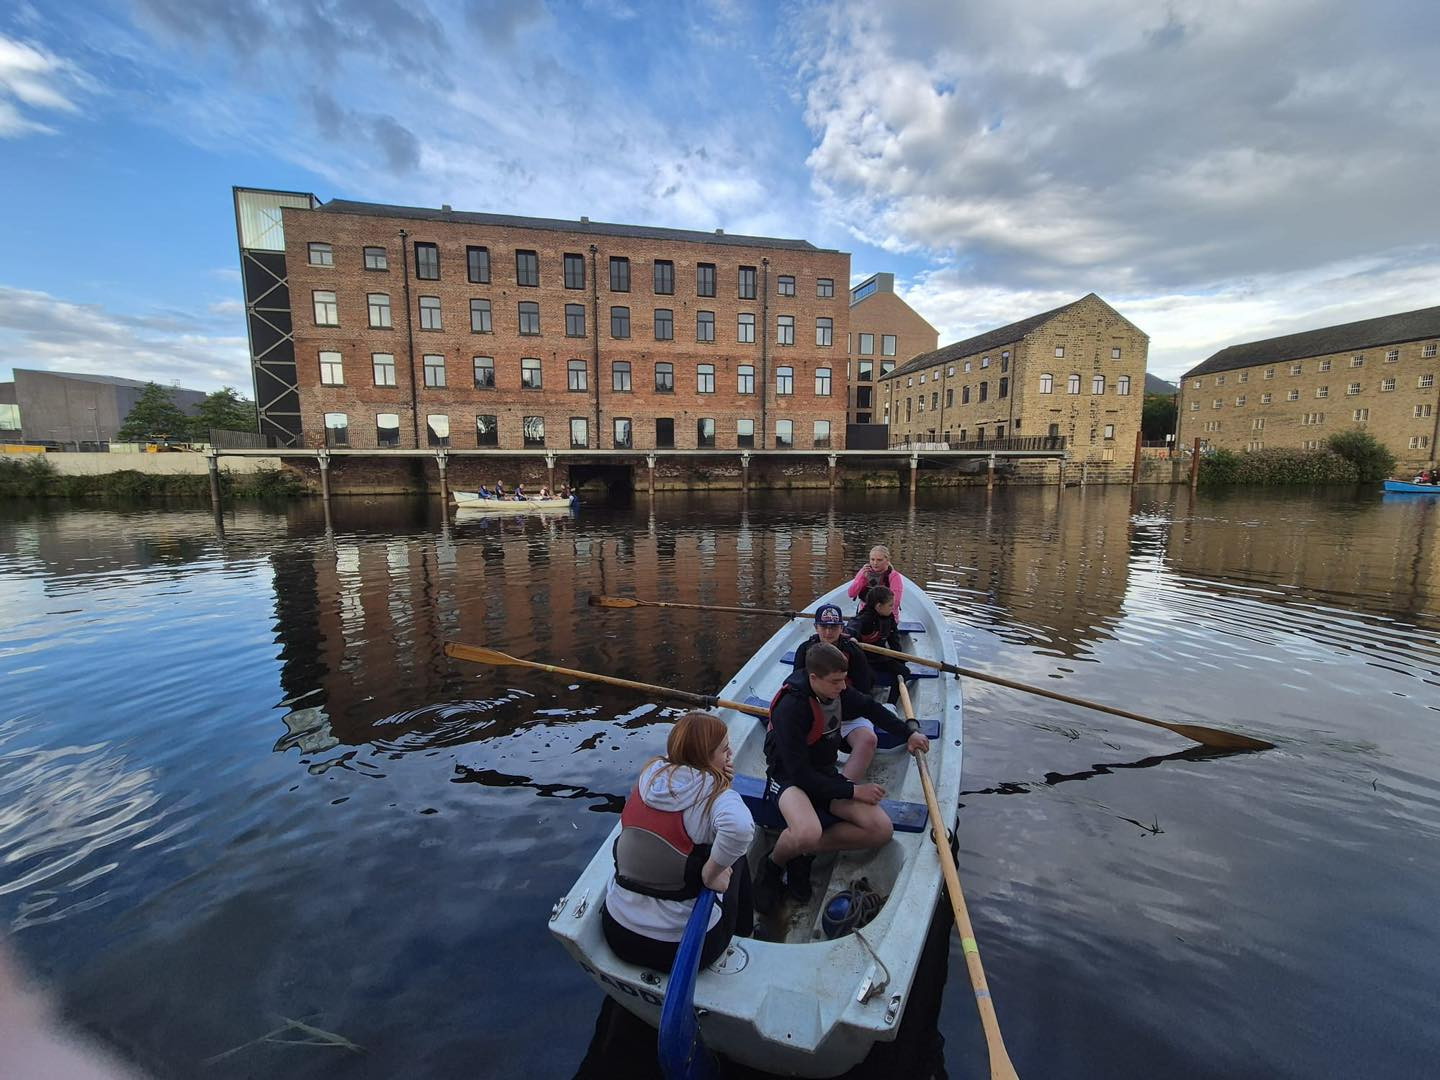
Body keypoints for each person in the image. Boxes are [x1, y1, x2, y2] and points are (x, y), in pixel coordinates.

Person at [755, 643, 928, 912]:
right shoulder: (792, 708)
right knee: (807, 830)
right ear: (814, 679)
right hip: (789, 779)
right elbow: (798, 773)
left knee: (881, 829)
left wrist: (908, 733)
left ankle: (803, 854)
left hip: (823, 774)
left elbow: (871, 707)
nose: (843, 687)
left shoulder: (836, 692)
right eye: (835, 682)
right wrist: (852, 791)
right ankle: (773, 864)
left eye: (843, 680)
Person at [603, 711, 755, 970]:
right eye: (725, 751)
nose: (730, 756)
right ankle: (746, 933)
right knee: (737, 858)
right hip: (684, 949)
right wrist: (711, 872)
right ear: (708, 757)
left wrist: (719, 778)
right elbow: (740, 828)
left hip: (618, 932)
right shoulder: (717, 798)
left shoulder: (649, 774)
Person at [794, 604, 877, 779]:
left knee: (868, 740)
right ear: (816, 627)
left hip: (848, 714)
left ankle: (846, 787)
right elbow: (797, 687)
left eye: (833, 627)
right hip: (814, 714)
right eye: (824, 627)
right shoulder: (804, 650)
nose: (828, 632)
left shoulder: (853, 652)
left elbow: (864, 690)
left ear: (842, 628)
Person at [846, 586, 906, 703]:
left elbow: (895, 641)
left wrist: (900, 660)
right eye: (890, 605)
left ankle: (891, 704)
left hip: (880, 657)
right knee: (868, 678)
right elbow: (852, 626)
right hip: (863, 659)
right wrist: (852, 637)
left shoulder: (889, 618)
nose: (893, 608)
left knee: (904, 672)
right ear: (878, 606)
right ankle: (864, 702)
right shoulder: (865, 618)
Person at [847, 545, 903, 616]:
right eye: (872, 559)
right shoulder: (864, 571)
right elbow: (851, 594)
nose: (875, 563)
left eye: (879, 560)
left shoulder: (894, 576)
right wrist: (862, 578)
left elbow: (895, 603)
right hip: (865, 613)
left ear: (887, 561)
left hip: (886, 615)